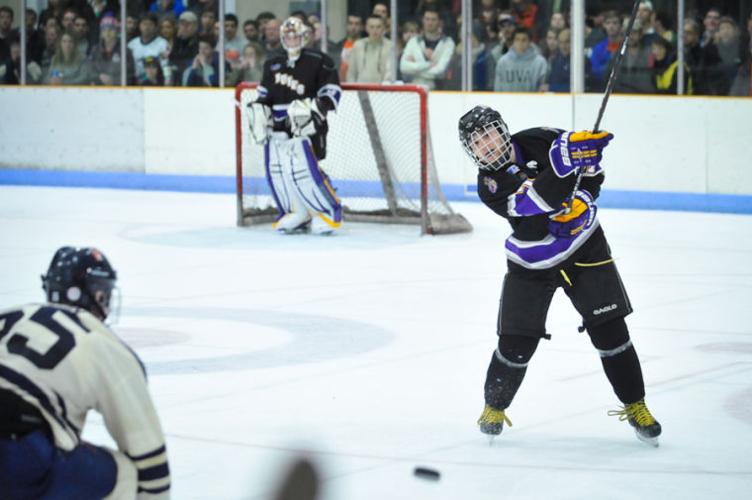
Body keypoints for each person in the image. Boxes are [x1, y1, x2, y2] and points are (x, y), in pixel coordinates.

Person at [458, 105, 662, 446]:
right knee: (516, 340)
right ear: (471, 151)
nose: (487, 144)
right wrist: (565, 163)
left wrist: (582, 192)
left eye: (489, 133)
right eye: (477, 142)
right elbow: (535, 202)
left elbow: (592, 172)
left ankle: (636, 405)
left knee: (611, 330)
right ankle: (494, 405)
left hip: (585, 246)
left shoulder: (541, 139)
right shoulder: (490, 186)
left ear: (503, 130)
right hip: (532, 262)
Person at [0, 247, 171, 498]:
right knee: (128, 477)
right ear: (90, 294)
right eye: (103, 293)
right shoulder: (101, 342)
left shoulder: (11, 313)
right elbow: (150, 461)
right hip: (18, 449)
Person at [250, 16, 342, 235]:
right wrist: (259, 112)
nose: (292, 39)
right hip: (278, 126)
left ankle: (328, 211)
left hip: (305, 124)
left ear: (305, 36)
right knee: (280, 170)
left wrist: (314, 110)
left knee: (305, 170)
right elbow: (264, 96)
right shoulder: (272, 63)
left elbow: (331, 92)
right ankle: (297, 212)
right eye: (288, 35)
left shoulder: (319, 60)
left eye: (296, 35)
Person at [399, 7, 455, 90]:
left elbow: (440, 71)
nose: (430, 23)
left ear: (439, 22)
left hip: (439, 91)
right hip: (416, 91)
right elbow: (403, 67)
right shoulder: (413, 42)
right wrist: (429, 65)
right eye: (427, 19)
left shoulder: (448, 43)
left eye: (433, 19)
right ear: (423, 20)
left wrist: (414, 69)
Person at [493, 26, 547, 92]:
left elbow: (543, 88)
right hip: (507, 101)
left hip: (532, 101)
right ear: (513, 41)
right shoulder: (503, 62)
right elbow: (498, 87)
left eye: (524, 40)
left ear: (529, 42)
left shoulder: (540, 62)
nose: (520, 43)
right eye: (517, 39)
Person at [347, 14, 393, 83]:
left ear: (383, 28)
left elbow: (389, 72)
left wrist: (385, 89)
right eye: (372, 27)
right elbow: (351, 72)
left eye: (378, 27)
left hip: (381, 90)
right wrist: (351, 91)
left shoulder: (390, 46)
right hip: (360, 89)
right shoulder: (358, 45)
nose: (375, 30)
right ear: (366, 28)